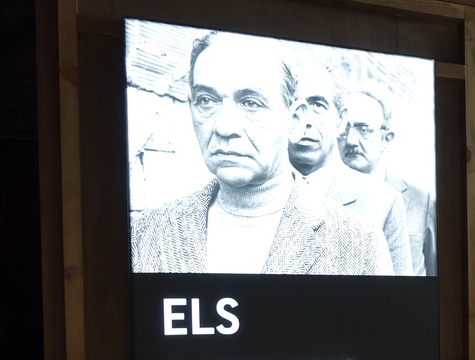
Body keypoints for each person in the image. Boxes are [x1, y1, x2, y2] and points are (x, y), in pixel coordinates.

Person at [131, 32, 393, 275]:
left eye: (251, 103)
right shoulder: (148, 232)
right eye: (206, 101)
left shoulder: (358, 242)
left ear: (295, 121)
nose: (224, 127)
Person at [287, 61, 413, 274]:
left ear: (341, 120)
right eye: (294, 105)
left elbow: (401, 292)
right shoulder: (251, 194)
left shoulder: (383, 202)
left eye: (318, 105)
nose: (305, 120)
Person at [338, 85, 437, 277]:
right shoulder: (320, 195)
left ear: (386, 139)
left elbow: (437, 277)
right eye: (344, 129)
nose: (351, 140)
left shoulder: (421, 202)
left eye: (364, 130)